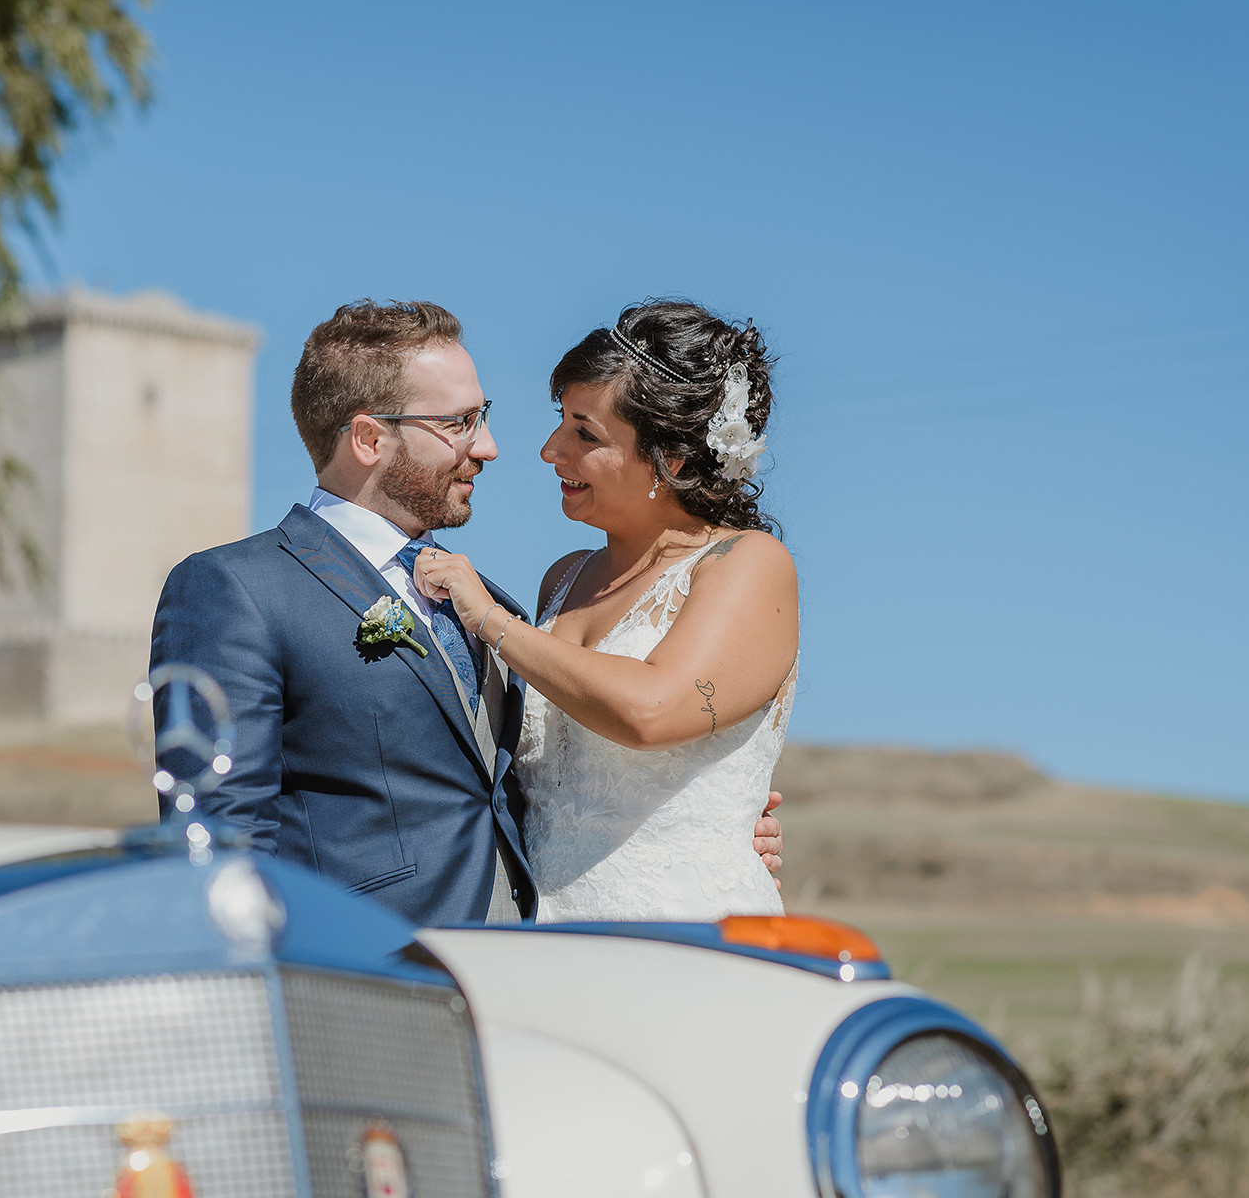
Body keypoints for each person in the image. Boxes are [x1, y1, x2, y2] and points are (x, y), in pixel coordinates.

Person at [150, 299, 782, 926]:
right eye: (459, 422)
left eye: (484, 417)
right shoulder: (238, 589)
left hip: (541, 958)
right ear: (370, 438)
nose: (492, 447)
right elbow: (218, 840)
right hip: (364, 973)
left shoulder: (491, 603)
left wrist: (709, 813)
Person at [414, 300, 796, 922]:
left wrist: (490, 621)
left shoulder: (749, 564)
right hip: (546, 933)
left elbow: (651, 710)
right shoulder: (563, 580)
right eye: (559, 421)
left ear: (671, 459)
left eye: (584, 434)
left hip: (681, 932)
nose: (548, 450)